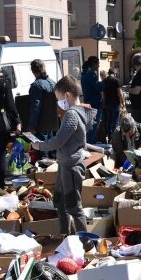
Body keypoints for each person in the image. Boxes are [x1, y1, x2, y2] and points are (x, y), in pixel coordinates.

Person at [31, 75, 96, 234]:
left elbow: (59, 140)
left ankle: (85, 244)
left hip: (71, 166)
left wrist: (40, 145)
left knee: (74, 207)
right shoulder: (78, 112)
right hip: (65, 164)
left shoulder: (72, 114)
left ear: (67, 95)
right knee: (60, 202)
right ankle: (65, 235)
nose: (58, 102)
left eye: (58, 98)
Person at [27, 59, 58, 157]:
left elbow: (35, 106)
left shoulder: (36, 85)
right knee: (52, 149)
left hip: (41, 122)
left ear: (32, 71)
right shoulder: (52, 82)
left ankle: (44, 171)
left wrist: (32, 125)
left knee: (42, 149)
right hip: (53, 122)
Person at [81, 56, 103, 143]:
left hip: (89, 103)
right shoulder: (91, 74)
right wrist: (104, 83)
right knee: (93, 127)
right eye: (98, 64)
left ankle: (90, 143)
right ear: (94, 64)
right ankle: (91, 145)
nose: (98, 66)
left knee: (90, 126)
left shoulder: (85, 73)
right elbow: (97, 87)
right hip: (95, 104)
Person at [103, 68, 124, 140]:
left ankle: (109, 136)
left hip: (108, 103)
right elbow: (120, 92)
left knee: (109, 120)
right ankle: (115, 137)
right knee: (115, 120)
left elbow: (103, 93)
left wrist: (104, 102)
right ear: (114, 73)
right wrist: (122, 102)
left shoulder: (104, 80)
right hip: (115, 102)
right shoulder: (116, 80)